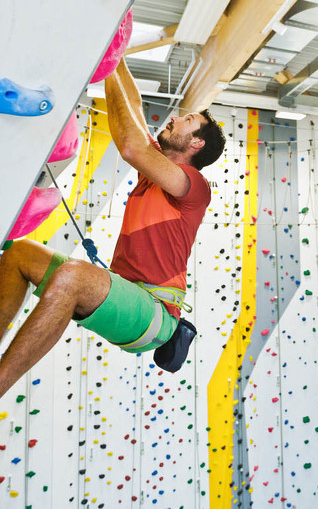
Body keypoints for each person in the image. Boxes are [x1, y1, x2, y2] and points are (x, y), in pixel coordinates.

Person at [0, 59, 226, 397]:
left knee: (73, 275)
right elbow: (132, 109)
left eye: (188, 121)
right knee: (19, 253)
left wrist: (110, 64)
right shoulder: (155, 170)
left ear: (196, 144)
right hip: (127, 293)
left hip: (156, 314)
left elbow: (131, 145)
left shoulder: (194, 186)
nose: (176, 117)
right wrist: (114, 57)